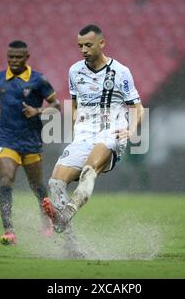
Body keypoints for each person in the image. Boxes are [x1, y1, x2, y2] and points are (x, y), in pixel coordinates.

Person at [41, 24, 144, 234]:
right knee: (55, 183)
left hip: (112, 130)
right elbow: (76, 104)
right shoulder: (75, 71)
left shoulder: (121, 72)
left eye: (88, 45)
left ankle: (66, 214)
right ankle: (69, 243)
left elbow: (137, 107)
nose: (84, 50)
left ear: (102, 43)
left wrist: (131, 130)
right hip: (84, 134)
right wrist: (75, 130)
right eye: (80, 46)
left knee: (89, 171)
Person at [0, 40, 61, 245]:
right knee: (6, 180)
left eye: (18, 57)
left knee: (37, 187)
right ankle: (9, 231)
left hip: (31, 140)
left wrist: (37, 111)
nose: (13, 61)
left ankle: (46, 222)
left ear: (27, 57)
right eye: (10, 57)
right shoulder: (0, 78)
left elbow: (56, 105)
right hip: (6, 138)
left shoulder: (38, 80)